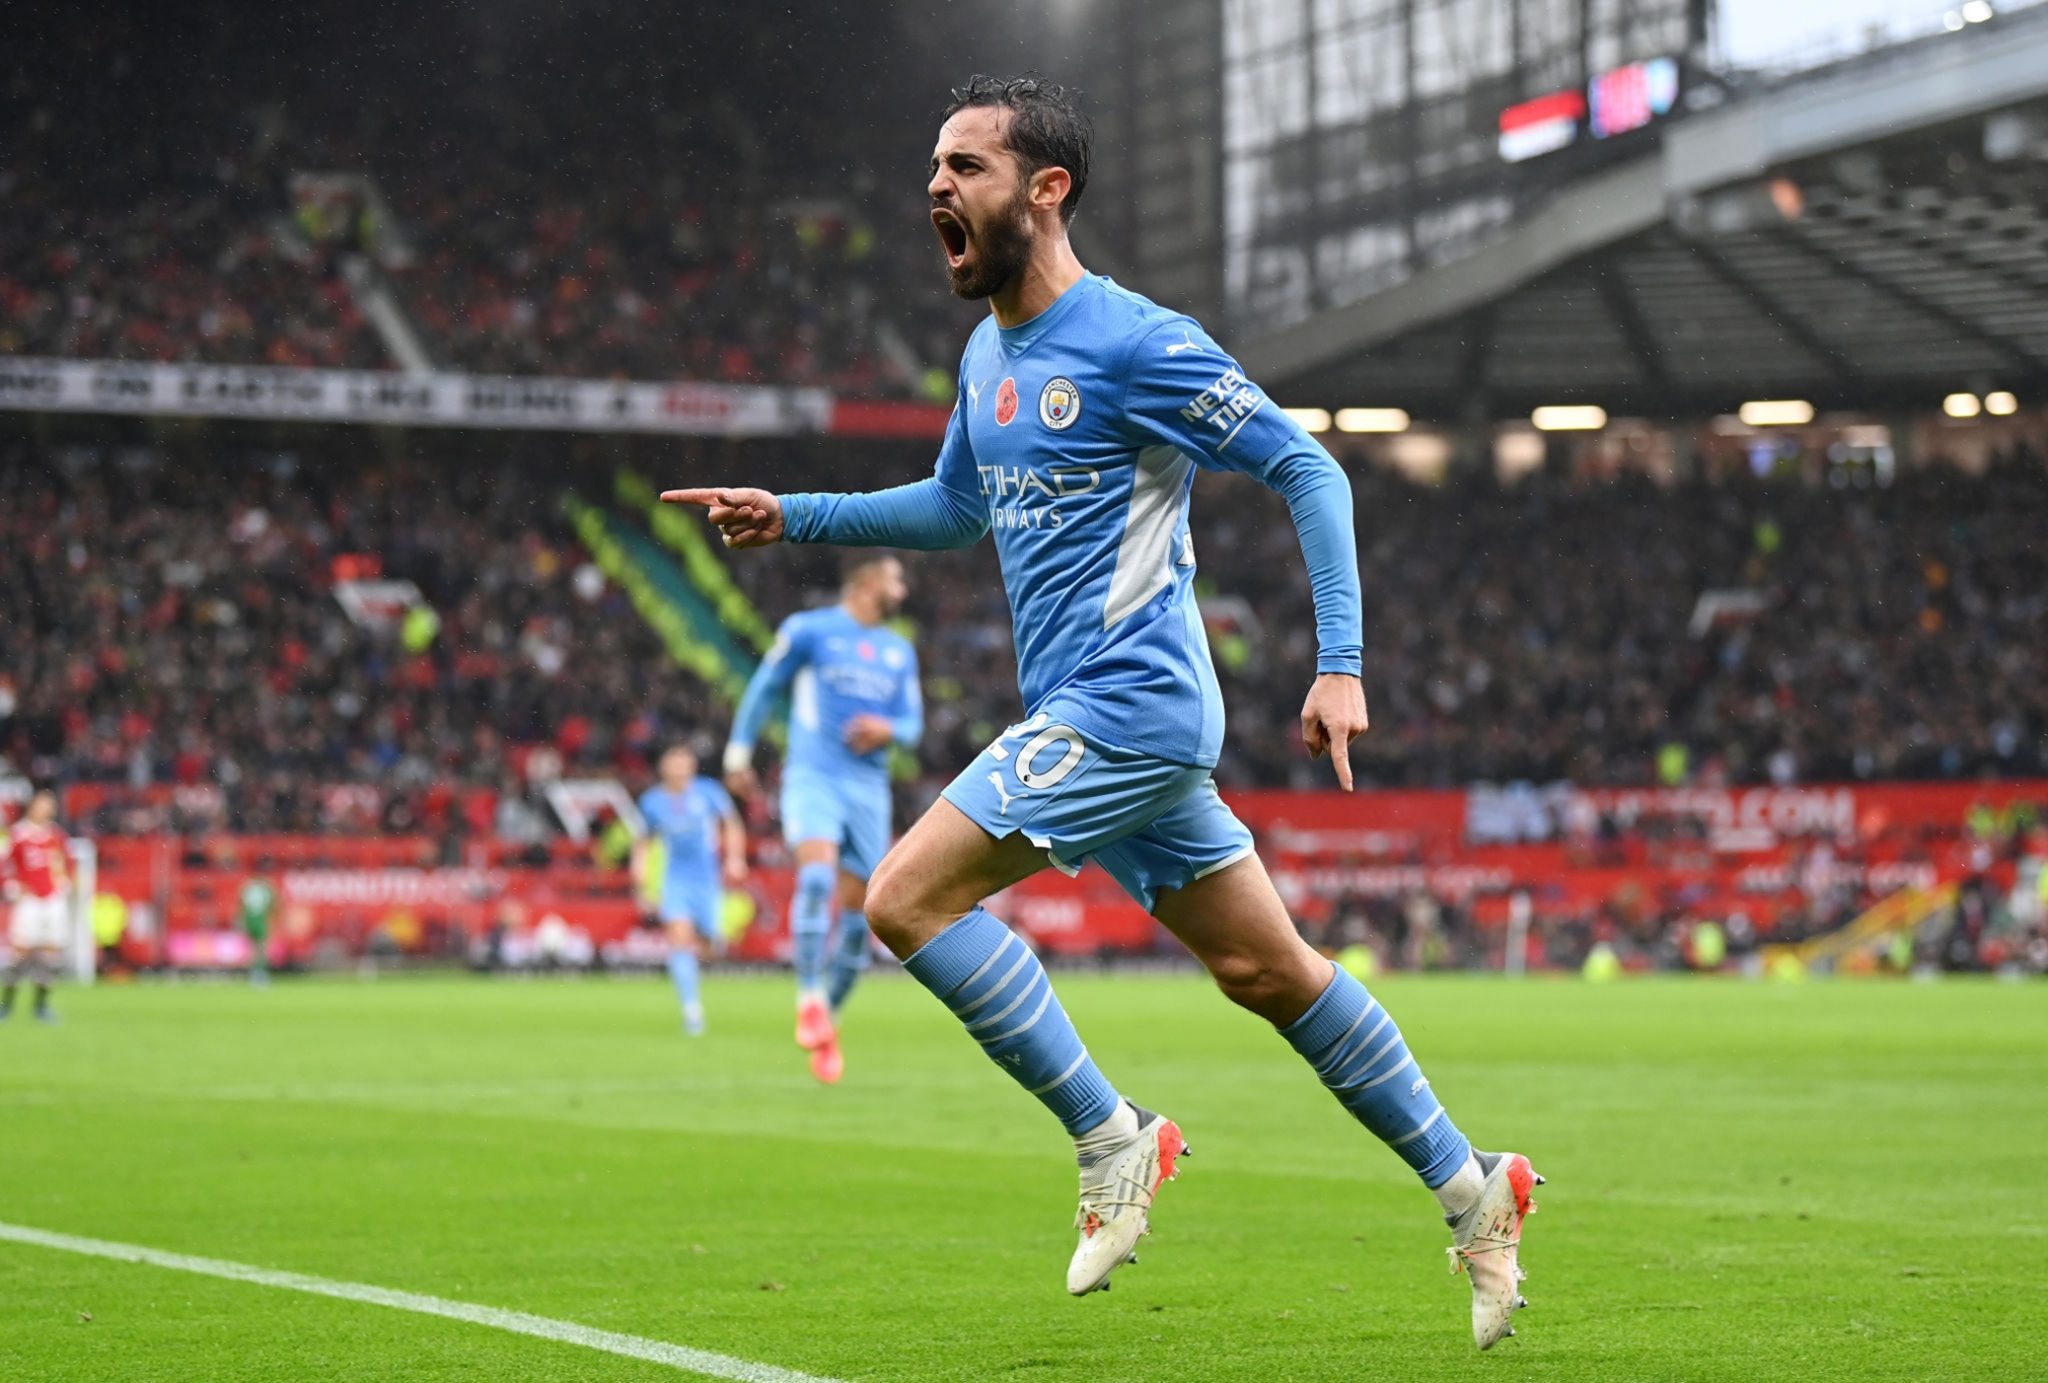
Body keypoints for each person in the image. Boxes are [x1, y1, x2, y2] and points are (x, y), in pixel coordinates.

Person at [664, 74, 1539, 1349]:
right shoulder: (986, 353)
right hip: (1108, 721)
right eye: (934, 167)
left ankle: (1111, 1135)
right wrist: (793, 513)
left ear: (1045, 189)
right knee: (1266, 971)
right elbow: (954, 510)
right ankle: (1475, 1191)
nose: (936, 188)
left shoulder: (1137, 342)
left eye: (965, 167)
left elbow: (1305, 465)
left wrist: (1337, 660)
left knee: (900, 899)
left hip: (1128, 703)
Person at [724, 552, 922, 1085]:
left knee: (863, 923)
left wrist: (888, 729)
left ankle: (826, 1020)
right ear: (865, 581)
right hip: (813, 776)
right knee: (815, 877)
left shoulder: (898, 650)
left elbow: (913, 723)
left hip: (869, 791)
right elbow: (765, 687)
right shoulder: (810, 631)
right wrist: (739, 753)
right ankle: (809, 996)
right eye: (895, 577)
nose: (902, 587)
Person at [633, 746, 747, 1035]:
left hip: (707, 881)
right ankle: (692, 1010)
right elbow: (643, 841)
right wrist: (641, 878)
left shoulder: (708, 792)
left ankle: (702, 965)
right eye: (674, 764)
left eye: (685, 763)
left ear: (693, 766)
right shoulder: (652, 802)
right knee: (680, 939)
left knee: (712, 945)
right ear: (664, 767)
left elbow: (732, 823)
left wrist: (735, 858)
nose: (680, 769)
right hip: (676, 881)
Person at [3, 789, 71, 1025]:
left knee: (50, 952)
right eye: (43, 804)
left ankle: (41, 1006)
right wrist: (13, 887)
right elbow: (5, 865)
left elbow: (66, 863)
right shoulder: (17, 834)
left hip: (52, 900)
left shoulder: (56, 835)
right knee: (20, 951)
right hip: (29, 901)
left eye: (50, 805)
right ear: (32, 806)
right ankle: (7, 1005)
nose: (47, 809)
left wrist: (64, 883)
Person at [239, 874, 276, 988]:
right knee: (261, 948)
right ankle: (260, 974)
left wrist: (241, 921)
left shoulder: (248, 889)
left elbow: (242, 906)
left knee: (254, 949)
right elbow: (271, 906)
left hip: (250, 920)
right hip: (259, 920)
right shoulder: (266, 890)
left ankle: (254, 974)